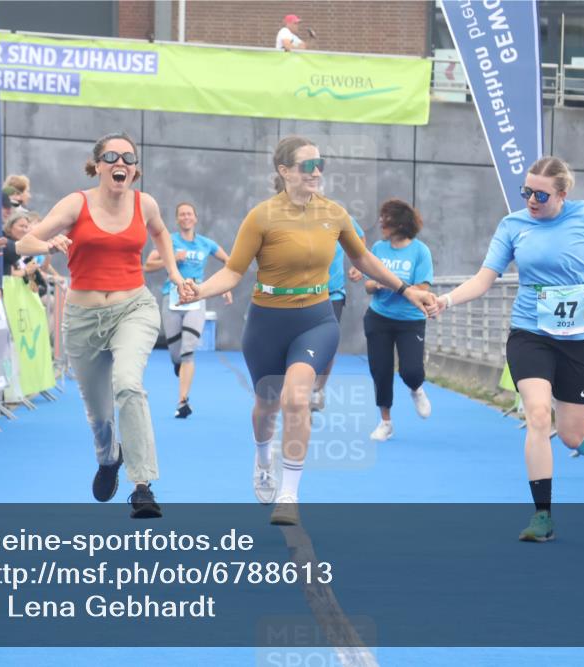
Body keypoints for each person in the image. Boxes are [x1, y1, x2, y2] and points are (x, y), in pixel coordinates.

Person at [179, 136, 437, 525]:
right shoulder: (261, 216)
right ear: (284, 171)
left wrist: (407, 289)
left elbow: (364, 258)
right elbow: (233, 272)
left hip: (316, 319)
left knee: (297, 399)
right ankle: (263, 457)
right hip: (267, 320)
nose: (317, 172)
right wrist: (199, 289)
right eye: (307, 165)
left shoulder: (334, 214)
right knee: (266, 406)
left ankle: (289, 494)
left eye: (321, 164)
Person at [433, 156, 584, 542]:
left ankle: (580, 432)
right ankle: (542, 515)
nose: (530, 199)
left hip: (581, 337)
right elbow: (483, 279)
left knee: (572, 435)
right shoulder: (513, 225)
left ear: (562, 194)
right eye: (526, 191)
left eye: (540, 194)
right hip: (531, 332)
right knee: (539, 416)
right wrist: (446, 301)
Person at [16, 132, 185, 519]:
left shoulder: (146, 205)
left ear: (135, 169)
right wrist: (48, 245)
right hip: (83, 316)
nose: (120, 163)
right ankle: (109, 458)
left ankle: (143, 486)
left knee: (128, 384)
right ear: (97, 166)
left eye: (128, 157)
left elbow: (160, 232)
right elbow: (25, 244)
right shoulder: (76, 204)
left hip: (133, 308)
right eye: (111, 156)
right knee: (99, 414)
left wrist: (173, 273)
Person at [144, 202, 232, 418]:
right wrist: (172, 259)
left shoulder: (205, 243)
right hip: (172, 298)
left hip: (196, 298)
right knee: (176, 354)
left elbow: (231, 262)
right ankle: (179, 366)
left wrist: (226, 286)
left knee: (188, 350)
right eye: (181, 214)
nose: (186, 217)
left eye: (189, 214)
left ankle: (183, 401)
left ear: (195, 218)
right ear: (177, 219)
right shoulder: (170, 241)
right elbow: (148, 265)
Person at [362, 199, 434, 441]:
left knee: (411, 371)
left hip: (410, 320)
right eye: (381, 217)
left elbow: (423, 287)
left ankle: (416, 388)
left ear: (401, 223)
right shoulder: (378, 248)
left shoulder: (420, 251)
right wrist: (377, 283)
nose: (381, 222)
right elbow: (368, 286)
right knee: (380, 371)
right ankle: (385, 422)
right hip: (379, 318)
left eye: (387, 219)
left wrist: (397, 286)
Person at [309, 216, 364, 412]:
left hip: (332, 293)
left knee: (327, 342)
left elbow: (360, 237)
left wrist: (357, 265)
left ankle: (318, 388)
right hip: (301, 293)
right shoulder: (290, 217)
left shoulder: (337, 215)